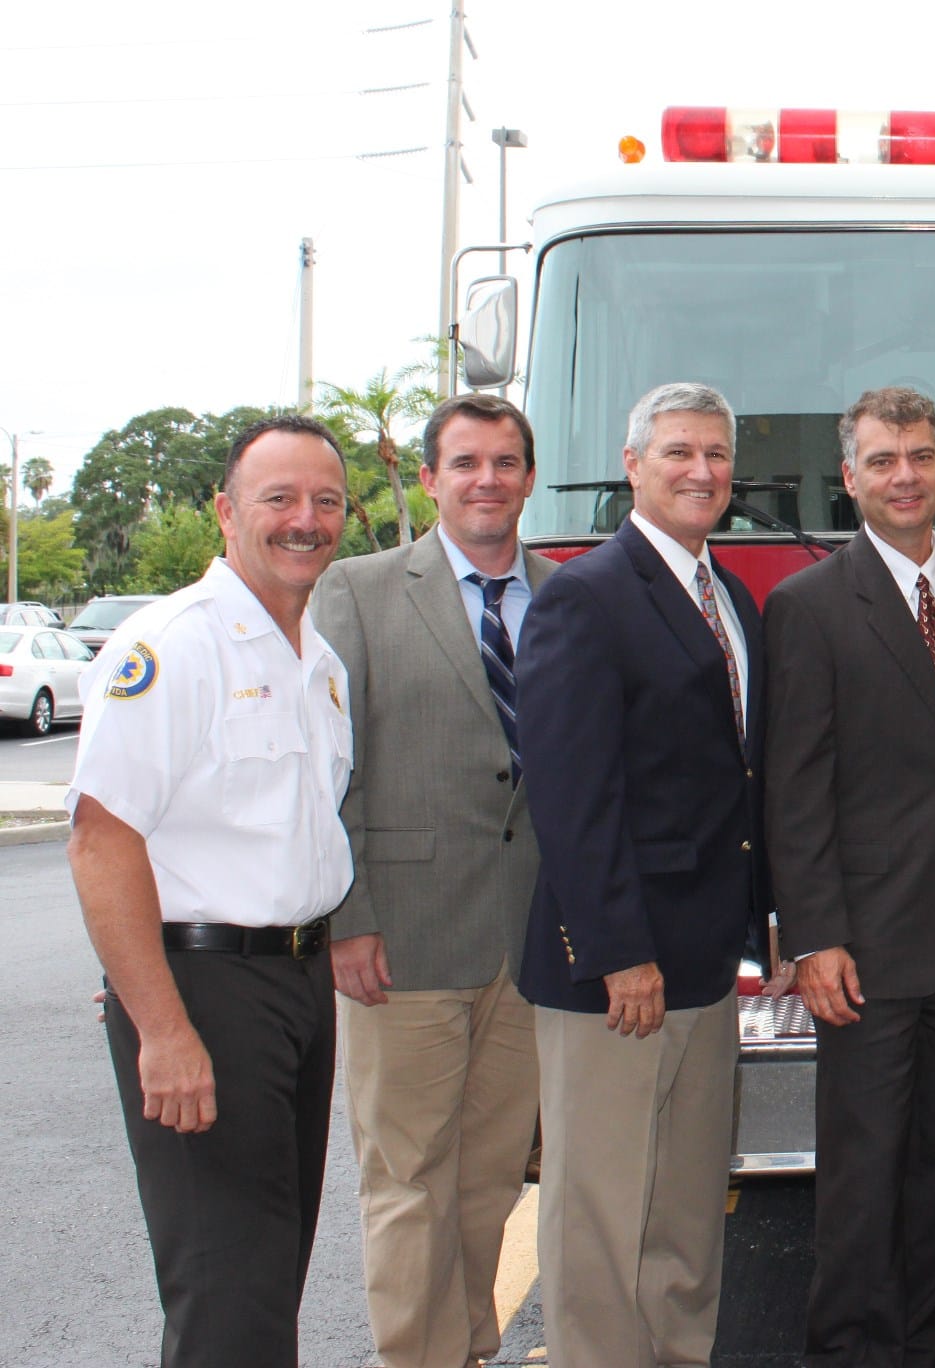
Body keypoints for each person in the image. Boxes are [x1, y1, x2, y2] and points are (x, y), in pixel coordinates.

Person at [69, 414, 354, 1367]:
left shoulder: (315, 659)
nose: (303, 520)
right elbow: (101, 844)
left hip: (295, 985)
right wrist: (162, 1030)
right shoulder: (174, 648)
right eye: (279, 499)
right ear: (227, 513)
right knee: (228, 1292)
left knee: (270, 1272)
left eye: (324, 500)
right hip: (205, 991)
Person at [765, 386, 935, 1366]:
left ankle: (927, 1344)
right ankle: (850, 1350)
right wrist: (816, 935)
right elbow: (795, 789)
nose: (904, 475)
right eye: (882, 460)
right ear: (850, 478)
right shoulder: (809, 607)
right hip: (866, 940)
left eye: (919, 455)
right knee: (865, 1171)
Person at [513, 381, 769, 1368]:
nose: (700, 470)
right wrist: (619, 953)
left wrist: (764, 928)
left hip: (705, 963)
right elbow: (571, 799)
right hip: (615, 976)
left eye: (714, 453)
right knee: (600, 1219)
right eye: (677, 452)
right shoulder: (584, 595)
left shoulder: (730, 594)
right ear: (633, 466)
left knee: (685, 1213)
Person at [311, 392, 550, 1368]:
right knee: (406, 1178)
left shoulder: (564, 592)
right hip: (400, 936)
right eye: (465, 463)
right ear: (429, 479)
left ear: (528, 478)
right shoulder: (358, 590)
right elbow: (328, 764)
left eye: (504, 462)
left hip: (529, 938)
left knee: (490, 1177)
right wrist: (350, 914)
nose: (486, 480)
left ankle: (470, 1348)